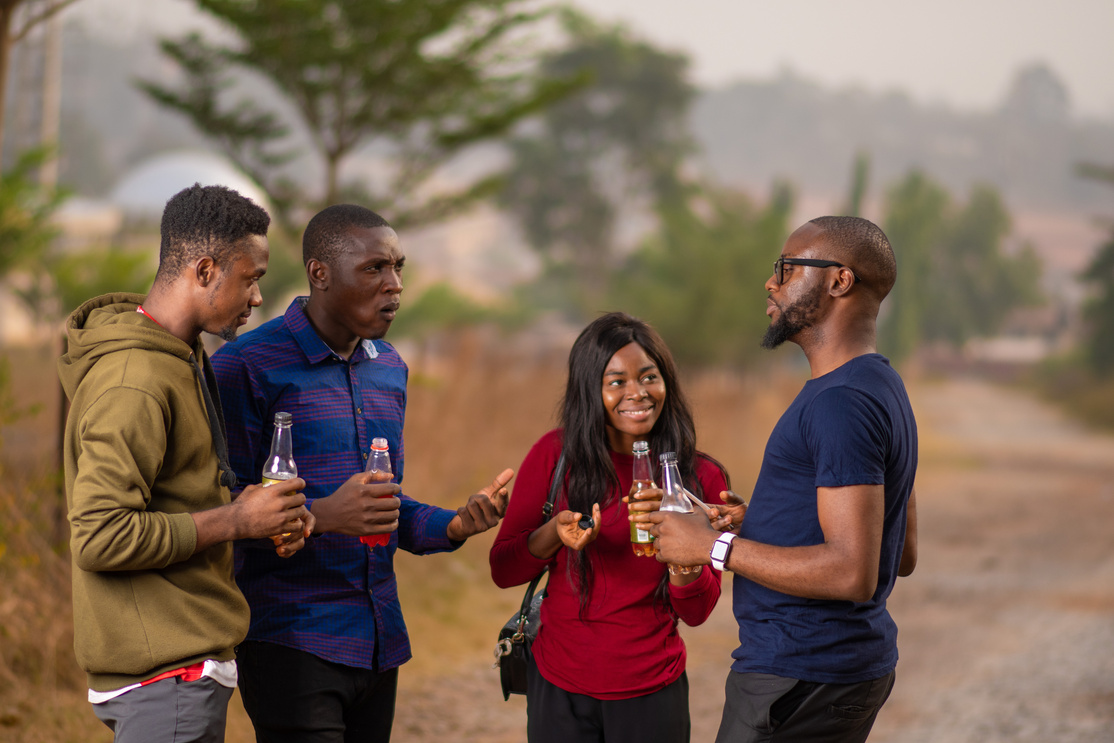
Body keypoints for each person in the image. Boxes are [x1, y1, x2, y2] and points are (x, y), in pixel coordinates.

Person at [211, 203, 514, 743]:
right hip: (291, 638)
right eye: (374, 268)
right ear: (319, 273)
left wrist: (455, 525)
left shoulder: (388, 368)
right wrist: (325, 515)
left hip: (379, 639)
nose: (394, 284)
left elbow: (380, 505)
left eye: (398, 267)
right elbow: (221, 508)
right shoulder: (245, 367)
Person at [647, 216, 919, 743]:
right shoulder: (881, 384)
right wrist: (768, 522)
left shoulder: (841, 402)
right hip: (830, 673)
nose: (771, 284)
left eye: (787, 269)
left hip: (800, 673)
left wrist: (712, 547)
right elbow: (899, 550)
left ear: (840, 280)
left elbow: (852, 573)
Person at [58, 183, 313, 743]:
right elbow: (100, 536)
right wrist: (237, 521)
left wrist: (262, 512)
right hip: (164, 677)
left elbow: (181, 493)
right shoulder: (137, 380)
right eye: (251, 279)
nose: (256, 299)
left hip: (177, 669)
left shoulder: (181, 357)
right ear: (204, 271)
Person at [490, 311, 732, 743]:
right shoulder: (554, 456)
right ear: (590, 389)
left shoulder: (700, 480)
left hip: (652, 693)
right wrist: (554, 535)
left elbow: (696, 613)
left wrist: (680, 550)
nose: (637, 393)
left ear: (667, 383)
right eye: (616, 381)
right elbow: (503, 570)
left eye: (649, 377)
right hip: (559, 688)